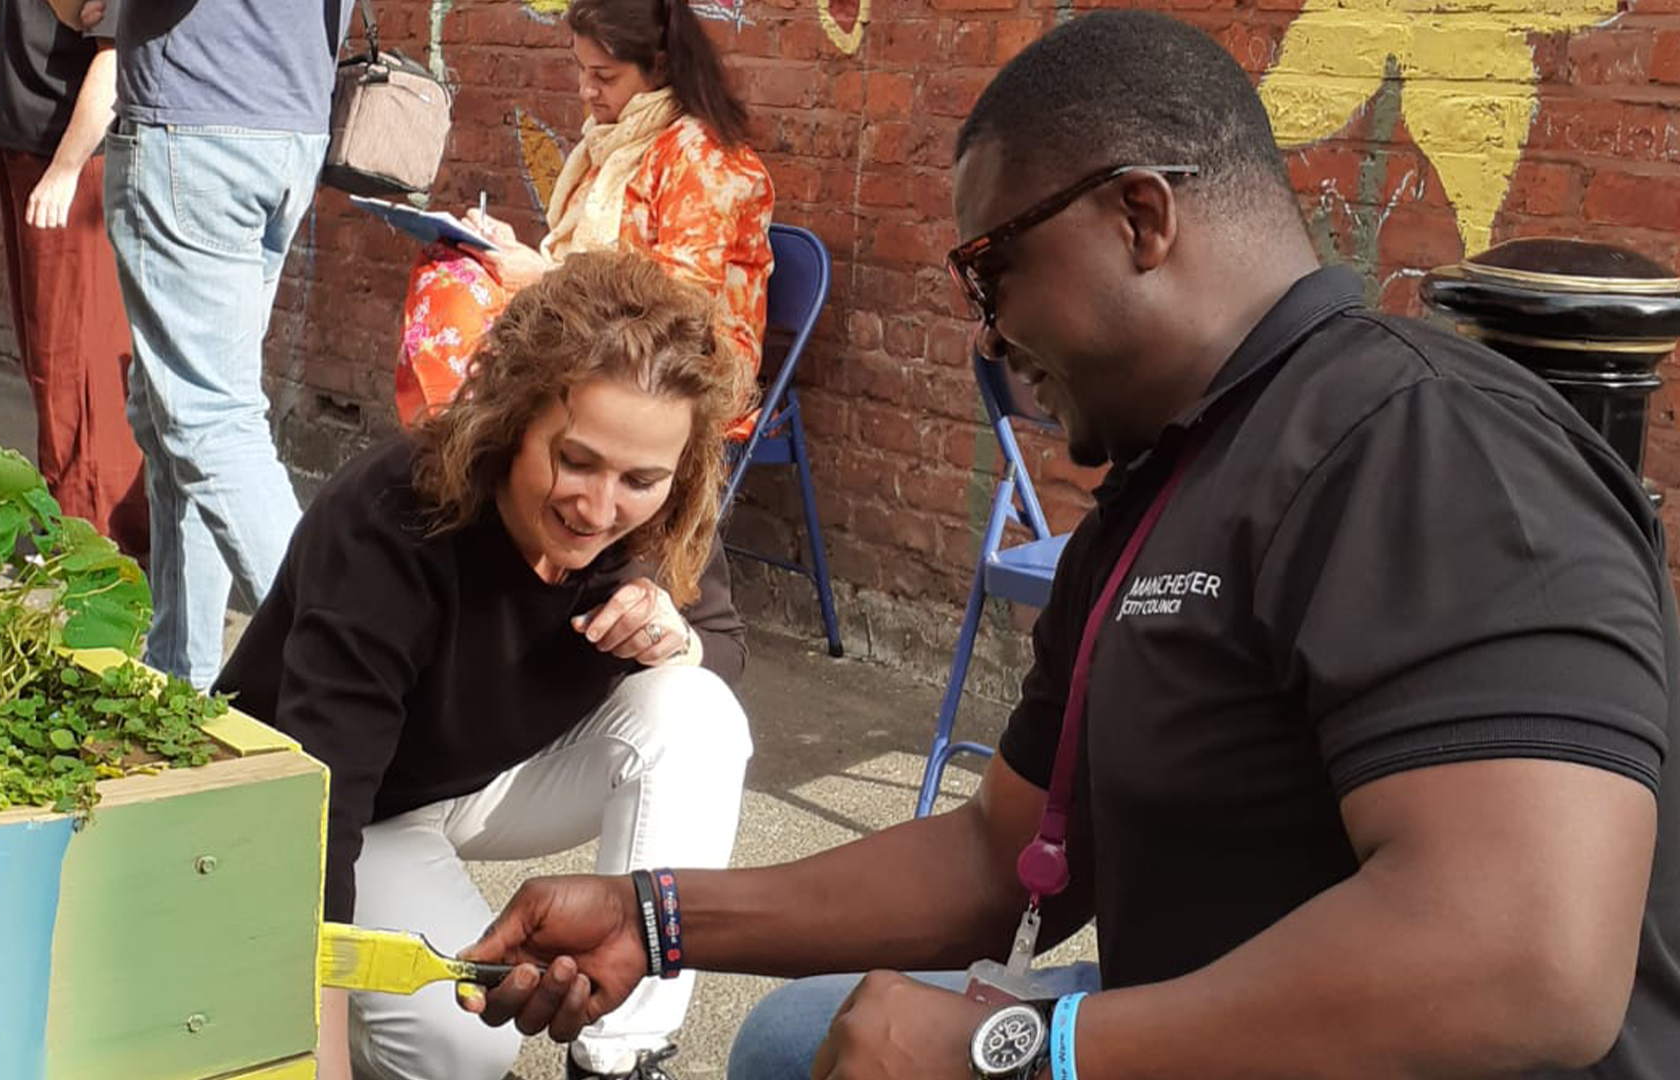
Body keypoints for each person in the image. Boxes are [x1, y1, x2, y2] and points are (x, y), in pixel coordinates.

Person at [457, 13, 1680, 1080]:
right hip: (1224, 1025)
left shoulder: (1424, 448)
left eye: (990, 272)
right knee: (805, 1039)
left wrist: (1025, 1056)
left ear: (1140, 216)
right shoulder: (1175, 478)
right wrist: (654, 917)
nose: (987, 337)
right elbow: (1003, 858)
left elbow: (1529, 965)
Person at [219, 252, 757, 1080]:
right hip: (351, 807)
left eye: (641, 478)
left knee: (701, 712)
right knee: (468, 1044)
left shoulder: (656, 515)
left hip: (491, 776)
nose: (601, 507)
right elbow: (318, 818)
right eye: (575, 461)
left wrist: (672, 635)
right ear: (514, 419)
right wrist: (308, 1061)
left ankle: (619, 1059)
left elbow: (723, 641)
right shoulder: (392, 518)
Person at [104, 0, 354, 688]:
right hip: (284, 130)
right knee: (172, 415)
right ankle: (180, 678)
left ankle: (352, 676)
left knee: (213, 423)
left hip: (198, 121)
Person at [393, 0, 772, 434]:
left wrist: (544, 278)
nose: (585, 91)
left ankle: (460, 458)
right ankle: (458, 452)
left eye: (604, 76)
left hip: (687, 365)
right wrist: (509, 254)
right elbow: (582, 259)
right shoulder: (617, 142)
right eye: (582, 69)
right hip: (603, 329)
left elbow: (680, 310)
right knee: (448, 272)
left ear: (661, 69)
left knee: (470, 319)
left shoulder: (704, 159)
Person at [0, 0, 146, 561]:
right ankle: (87, 524)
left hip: (67, 155)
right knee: (51, 355)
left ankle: (87, 537)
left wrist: (66, 167)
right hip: (30, 145)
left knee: (74, 360)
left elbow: (114, 56)